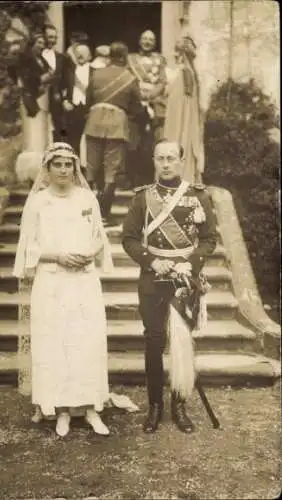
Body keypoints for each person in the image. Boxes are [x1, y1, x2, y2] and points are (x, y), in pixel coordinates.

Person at [13, 142, 114, 437]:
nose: (63, 170)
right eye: (57, 164)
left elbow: (99, 237)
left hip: (83, 280)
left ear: (75, 168)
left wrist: (89, 253)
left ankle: (92, 407)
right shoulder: (38, 202)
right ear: (47, 168)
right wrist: (57, 255)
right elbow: (28, 246)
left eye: (68, 164)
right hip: (52, 281)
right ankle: (62, 411)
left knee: (87, 341)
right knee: (57, 343)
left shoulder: (86, 197)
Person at [122, 140, 217, 434]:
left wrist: (192, 264)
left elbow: (209, 238)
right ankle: (155, 407)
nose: (166, 164)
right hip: (153, 278)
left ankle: (179, 406)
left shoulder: (197, 195)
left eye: (171, 158)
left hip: (186, 278)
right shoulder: (142, 198)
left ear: (181, 161)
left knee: (181, 341)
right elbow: (129, 239)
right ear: (153, 160)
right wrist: (151, 261)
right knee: (153, 341)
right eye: (160, 158)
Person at [84, 41, 146, 225]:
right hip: (117, 124)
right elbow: (137, 107)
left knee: (91, 169)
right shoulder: (130, 78)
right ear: (124, 57)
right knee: (111, 171)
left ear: (110, 56)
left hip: (94, 121)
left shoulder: (96, 74)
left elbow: (88, 99)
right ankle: (103, 215)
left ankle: (86, 214)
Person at [127, 30, 167, 187]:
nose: (147, 42)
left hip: (154, 106)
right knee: (133, 144)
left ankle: (150, 179)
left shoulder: (160, 60)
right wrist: (139, 96)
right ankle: (132, 180)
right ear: (139, 41)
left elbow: (163, 82)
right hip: (136, 107)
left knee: (152, 144)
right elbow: (128, 80)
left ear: (155, 42)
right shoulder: (131, 59)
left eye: (151, 39)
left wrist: (150, 95)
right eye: (144, 39)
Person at [163, 36, 204, 184]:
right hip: (182, 118)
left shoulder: (182, 73)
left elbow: (170, 94)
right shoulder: (190, 74)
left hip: (178, 120)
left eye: (178, 52)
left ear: (183, 55)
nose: (175, 56)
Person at [14, 32, 55, 152]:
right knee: (32, 130)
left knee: (42, 128)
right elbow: (26, 78)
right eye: (39, 42)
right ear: (32, 44)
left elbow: (50, 74)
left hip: (44, 97)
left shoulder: (42, 59)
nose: (42, 46)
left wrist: (49, 77)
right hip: (31, 97)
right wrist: (44, 78)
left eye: (43, 43)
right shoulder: (25, 59)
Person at [42, 25, 71, 142]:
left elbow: (66, 80)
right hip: (40, 98)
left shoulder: (62, 58)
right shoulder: (35, 57)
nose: (53, 40)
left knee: (59, 129)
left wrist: (64, 97)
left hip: (57, 100)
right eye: (50, 37)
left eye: (55, 37)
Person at [63, 44, 92, 155]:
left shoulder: (95, 71)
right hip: (73, 109)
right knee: (73, 141)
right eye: (78, 52)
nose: (80, 55)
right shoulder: (69, 71)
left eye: (83, 52)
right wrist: (64, 100)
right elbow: (62, 87)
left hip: (89, 109)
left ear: (89, 56)